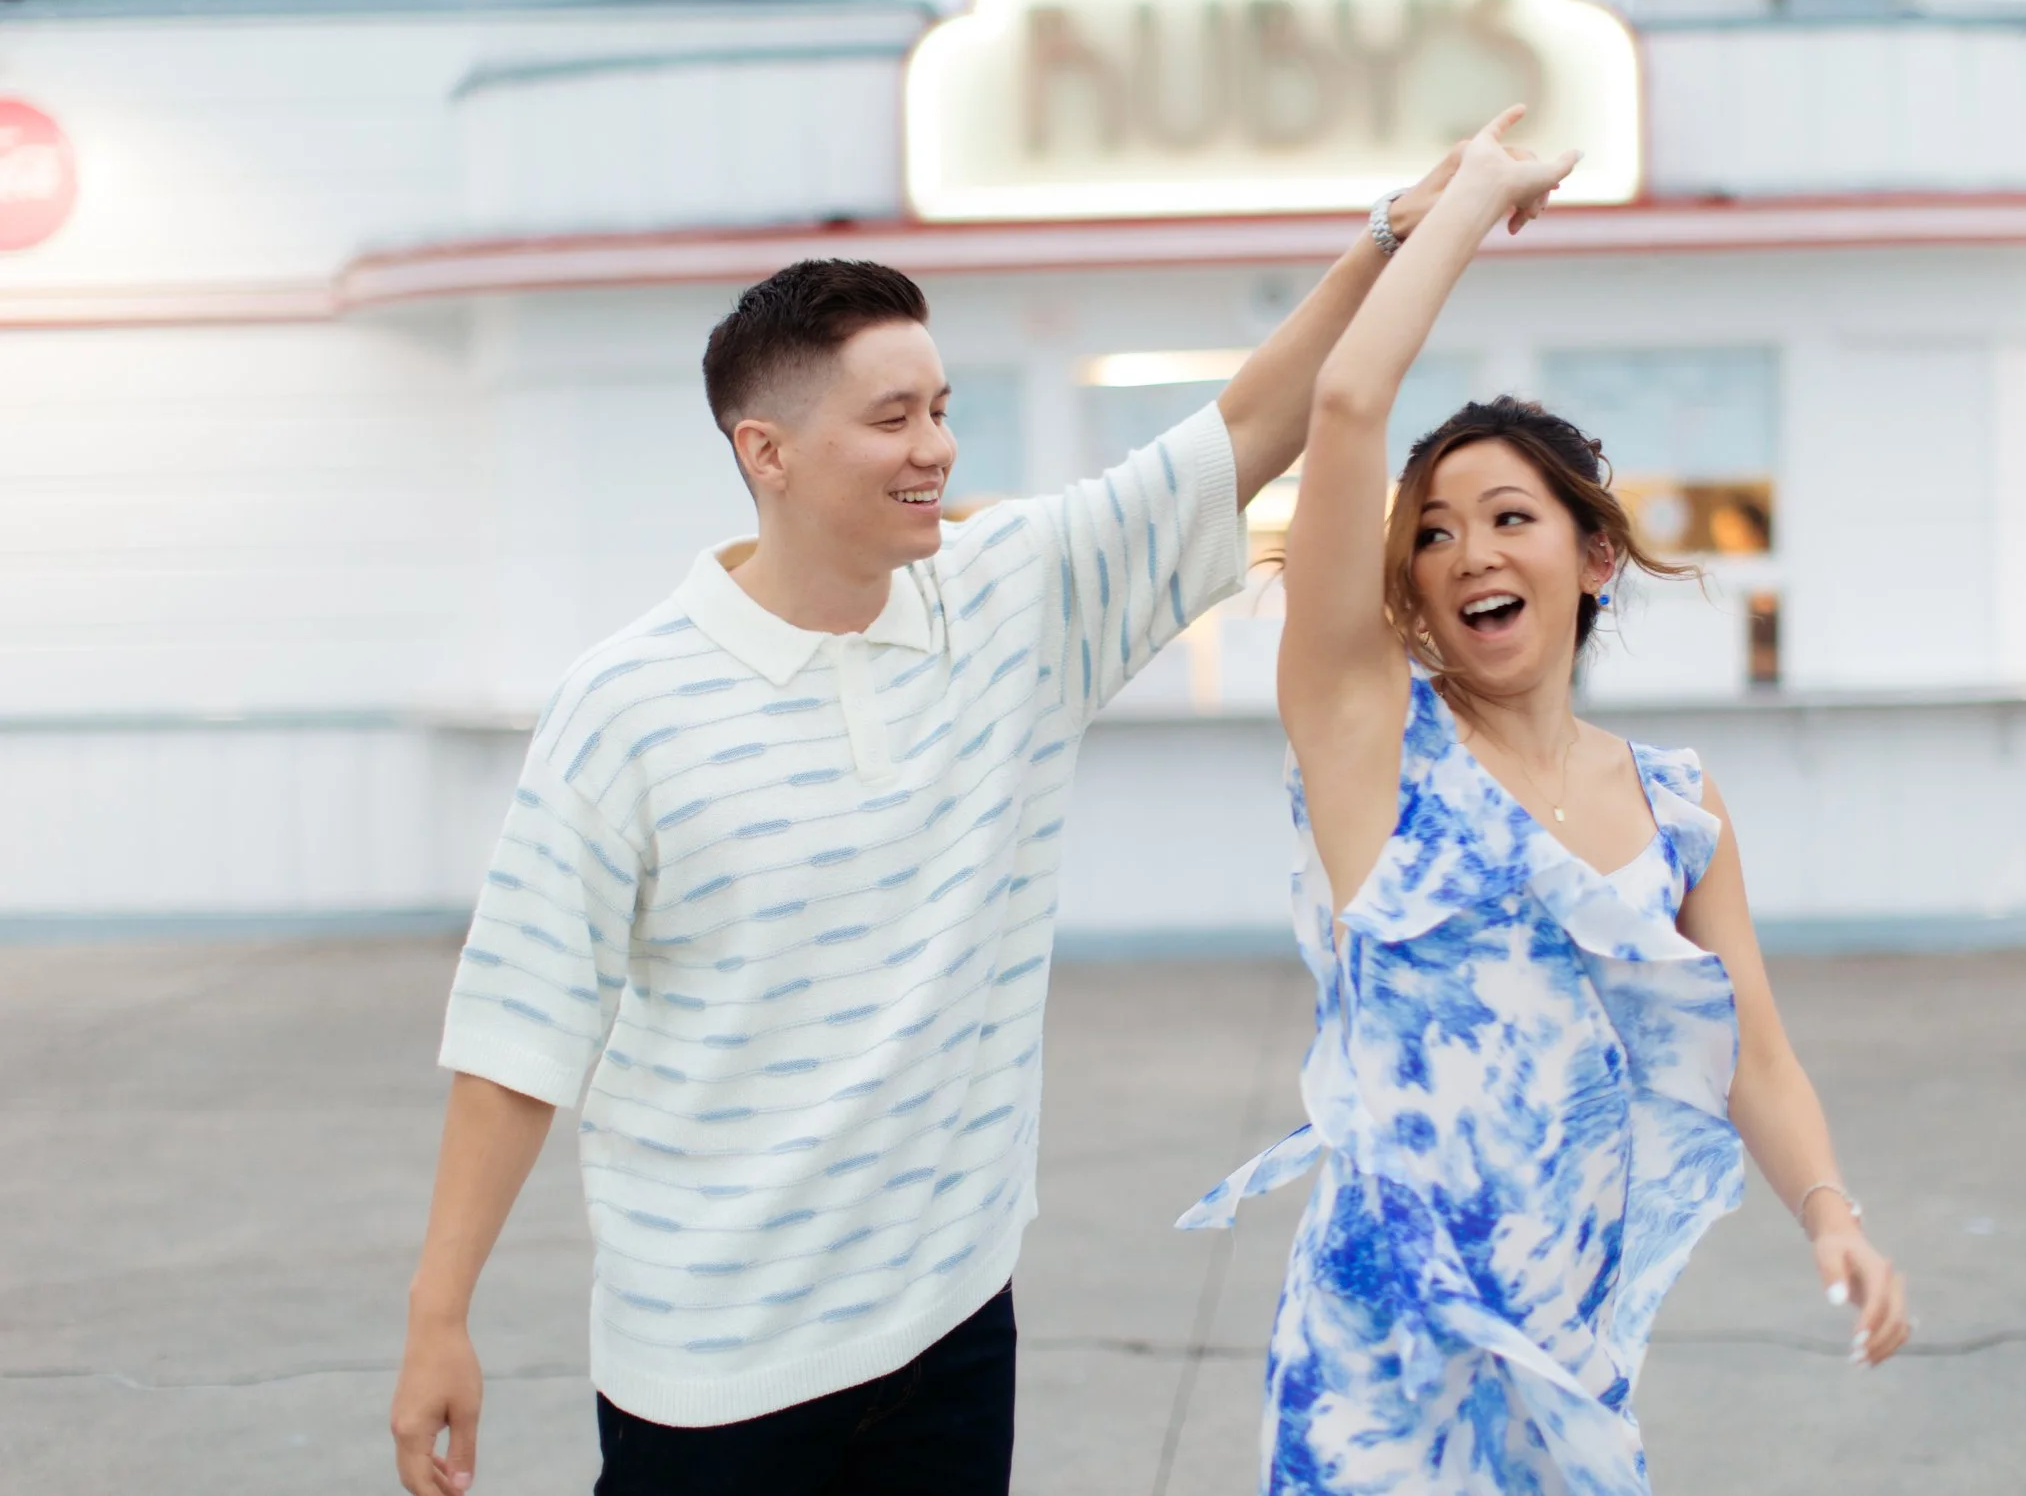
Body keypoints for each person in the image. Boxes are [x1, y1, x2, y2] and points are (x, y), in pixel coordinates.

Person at [388, 144, 1474, 1496]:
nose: (938, 449)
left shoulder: (1015, 598)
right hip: (712, 1366)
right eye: (894, 417)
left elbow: (1251, 426)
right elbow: (518, 1035)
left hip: (949, 1327)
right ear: (765, 451)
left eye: (943, 409)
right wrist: (441, 1313)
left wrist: (1391, 230)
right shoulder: (628, 705)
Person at [1177, 108, 1911, 1492]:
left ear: (1592, 557)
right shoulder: (1371, 743)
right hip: (1377, 1353)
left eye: (1509, 516)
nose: (1468, 551)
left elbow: (1753, 1054)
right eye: (1435, 532)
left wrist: (1831, 1215)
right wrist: (1469, 201)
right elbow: (1343, 404)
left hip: (1565, 1331)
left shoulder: (1680, 806)